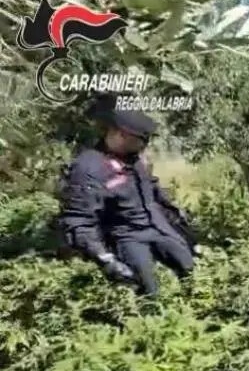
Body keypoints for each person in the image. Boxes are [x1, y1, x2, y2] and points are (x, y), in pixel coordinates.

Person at [57, 107, 195, 297]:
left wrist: (177, 218)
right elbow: (79, 221)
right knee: (149, 294)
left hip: (158, 226)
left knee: (193, 275)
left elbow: (151, 188)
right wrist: (105, 259)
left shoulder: (134, 157)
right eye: (142, 140)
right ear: (122, 135)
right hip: (128, 236)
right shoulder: (88, 168)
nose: (145, 145)